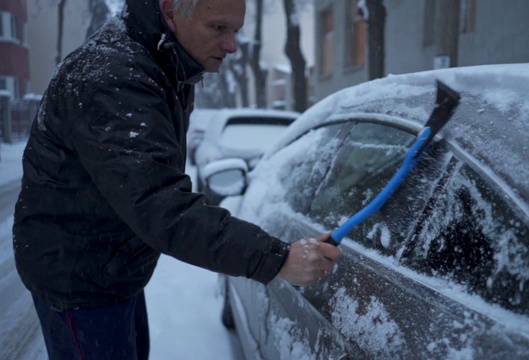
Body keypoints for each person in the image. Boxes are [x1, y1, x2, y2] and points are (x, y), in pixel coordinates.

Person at [12, 0, 340, 359]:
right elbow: (160, 203)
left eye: (235, 30)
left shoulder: (164, 61)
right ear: (170, 11)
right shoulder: (114, 77)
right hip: (80, 281)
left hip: (111, 268)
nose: (231, 45)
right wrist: (275, 259)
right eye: (218, 28)